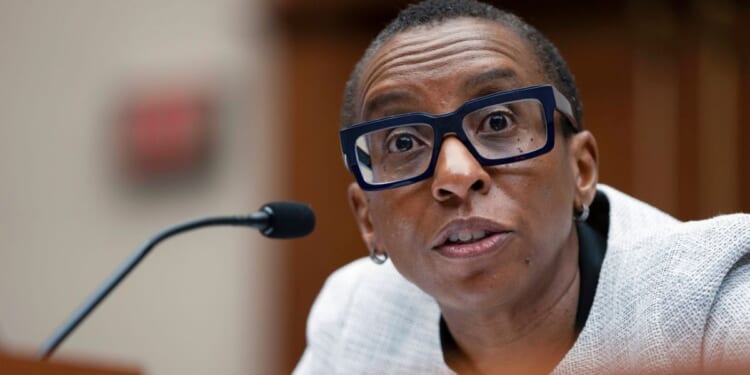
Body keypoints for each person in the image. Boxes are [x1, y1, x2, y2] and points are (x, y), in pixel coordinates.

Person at [293, 0, 750, 374]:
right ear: (368, 218)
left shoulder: (713, 301)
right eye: (404, 142)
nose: (454, 175)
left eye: (497, 122)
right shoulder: (356, 317)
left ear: (582, 171)